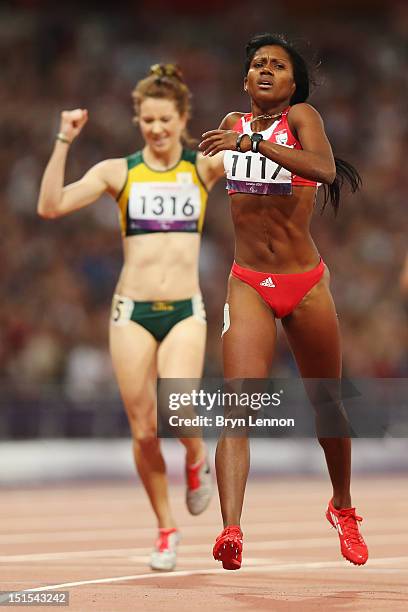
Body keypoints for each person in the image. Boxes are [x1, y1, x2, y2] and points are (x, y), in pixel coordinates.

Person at [37, 64, 225, 571]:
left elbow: (254, 156)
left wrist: (247, 132)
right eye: (147, 120)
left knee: (181, 406)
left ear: (183, 118)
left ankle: (194, 457)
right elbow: (50, 206)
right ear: (137, 120)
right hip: (132, 312)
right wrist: (63, 138)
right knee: (143, 430)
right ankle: (166, 530)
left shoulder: (202, 168)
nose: (157, 129)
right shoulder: (118, 172)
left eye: (165, 120)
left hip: (185, 309)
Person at [199, 33, 369, 570]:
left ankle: (342, 506)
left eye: (277, 65)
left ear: (294, 83)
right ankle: (232, 529)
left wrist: (253, 146)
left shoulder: (300, 118)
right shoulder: (229, 127)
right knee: (237, 406)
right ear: (245, 81)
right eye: (257, 65)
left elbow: (321, 167)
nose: (266, 71)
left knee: (328, 403)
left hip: (305, 284)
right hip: (249, 281)